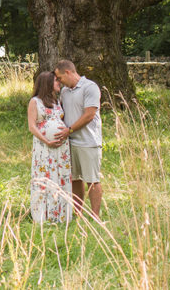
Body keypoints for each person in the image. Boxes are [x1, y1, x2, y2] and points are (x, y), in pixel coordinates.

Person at [53, 59, 103, 221]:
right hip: (70, 142)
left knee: (92, 180)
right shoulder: (65, 92)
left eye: (60, 78)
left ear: (68, 72)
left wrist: (70, 130)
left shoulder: (90, 87)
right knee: (75, 179)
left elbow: (89, 114)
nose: (59, 82)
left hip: (88, 142)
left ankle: (95, 216)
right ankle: (78, 213)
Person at [27, 71, 72, 224]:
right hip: (44, 148)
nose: (59, 82)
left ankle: (60, 213)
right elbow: (32, 127)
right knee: (46, 176)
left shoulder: (57, 101)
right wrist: (46, 140)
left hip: (61, 150)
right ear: (47, 83)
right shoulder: (35, 102)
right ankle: (43, 215)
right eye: (55, 81)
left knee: (61, 176)